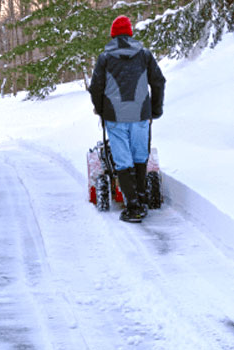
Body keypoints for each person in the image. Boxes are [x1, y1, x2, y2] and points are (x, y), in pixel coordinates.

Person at [89, 15, 166, 223]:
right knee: (140, 156)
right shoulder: (145, 55)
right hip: (141, 115)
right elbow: (158, 81)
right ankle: (141, 200)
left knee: (123, 161)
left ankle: (133, 207)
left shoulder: (105, 58)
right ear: (130, 33)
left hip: (115, 117)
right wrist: (155, 110)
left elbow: (95, 87)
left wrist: (100, 110)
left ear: (113, 34)